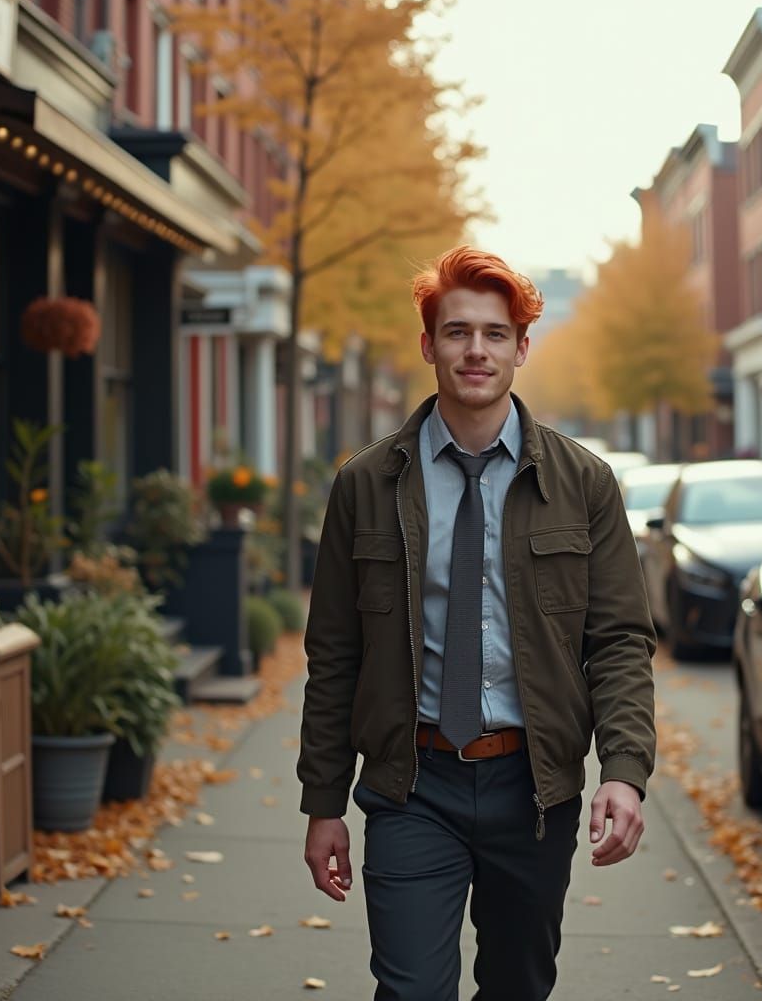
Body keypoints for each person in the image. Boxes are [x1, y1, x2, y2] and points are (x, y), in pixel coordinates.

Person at [298, 245, 656, 1000]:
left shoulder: (584, 484)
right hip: (411, 785)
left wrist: (625, 771)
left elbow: (620, 640)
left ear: (523, 349)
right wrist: (324, 802)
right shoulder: (366, 484)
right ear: (428, 344)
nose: (476, 350)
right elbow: (333, 654)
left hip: (533, 790)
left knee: (517, 986)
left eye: (496, 334)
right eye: (457, 332)